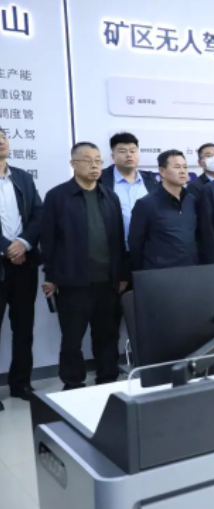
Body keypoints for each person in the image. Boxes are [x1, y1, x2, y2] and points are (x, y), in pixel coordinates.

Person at [41, 142, 128, 390]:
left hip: (108, 281)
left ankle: (107, 379)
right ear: (73, 164)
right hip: (73, 281)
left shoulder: (109, 196)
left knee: (107, 334)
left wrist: (121, 274)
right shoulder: (57, 197)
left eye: (98, 161)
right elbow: (48, 240)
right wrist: (51, 276)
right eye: (88, 160)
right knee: (72, 337)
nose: (94, 166)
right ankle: (73, 382)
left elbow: (118, 239)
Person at [0, 127, 43, 406]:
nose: (1, 142)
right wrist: (7, 247)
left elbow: (39, 214)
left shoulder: (22, 177)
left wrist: (24, 243)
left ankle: (21, 383)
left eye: (3, 137)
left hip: (24, 264)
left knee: (24, 328)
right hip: (3, 260)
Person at [128, 150, 199, 270]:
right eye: (177, 167)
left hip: (191, 270)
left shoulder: (192, 201)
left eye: (185, 167)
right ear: (162, 171)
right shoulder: (146, 204)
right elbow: (136, 244)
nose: (183, 171)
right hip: (159, 272)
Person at [99, 133, 160, 251]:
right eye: (123, 151)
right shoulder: (101, 181)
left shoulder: (151, 181)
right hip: (114, 250)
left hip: (147, 250)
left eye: (133, 151)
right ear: (113, 156)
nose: (129, 155)